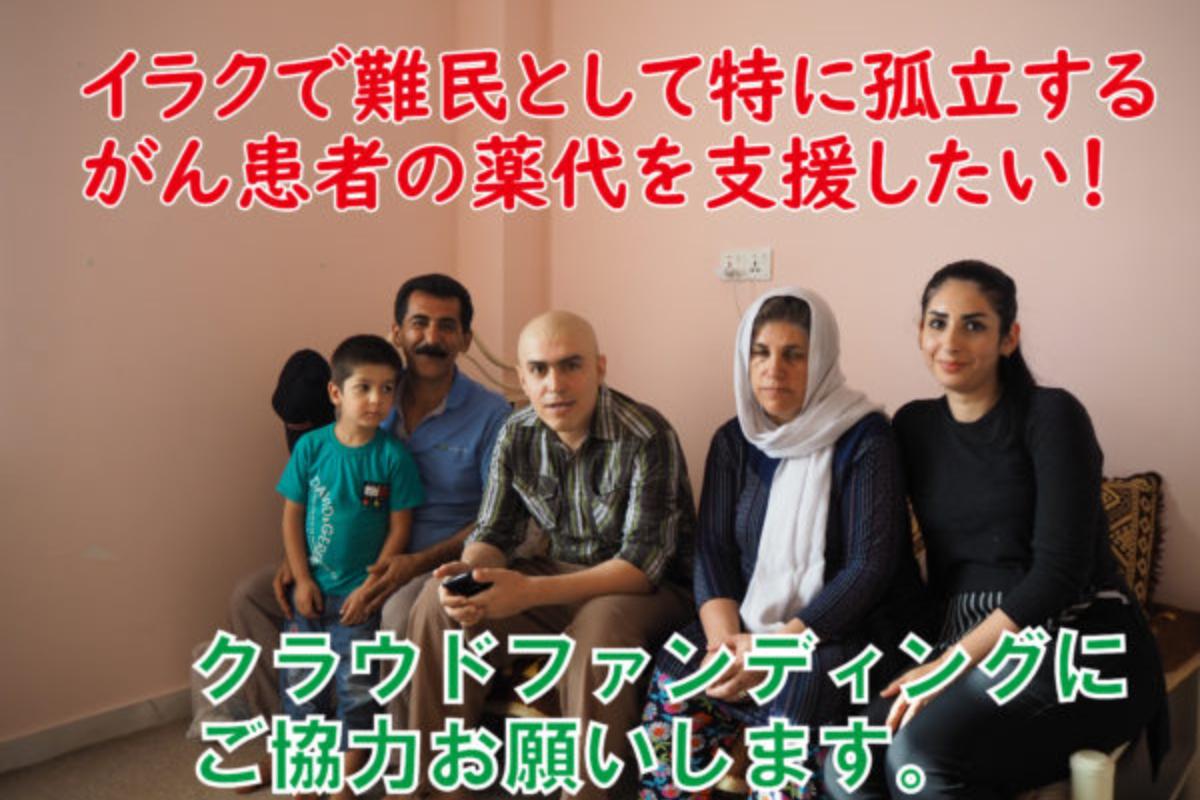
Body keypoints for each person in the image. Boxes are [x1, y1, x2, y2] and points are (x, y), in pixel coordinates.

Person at [827, 260, 1168, 798]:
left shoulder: (1052, 415)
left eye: (974, 325)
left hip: (1074, 642)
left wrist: (949, 665)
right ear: (920, 333)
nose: (950, 341)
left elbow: (1059, 574)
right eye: (937, 323)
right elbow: (888, 555)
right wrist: (922, 651)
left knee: (920, 759)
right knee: (847, 765)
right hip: (965, 641)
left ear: (1009, 338)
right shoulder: (913, 426)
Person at [639, 288, 927, 800]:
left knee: (801, 685)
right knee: (676, 667)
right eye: (761, 353)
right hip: (750, 622)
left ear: (821, 361)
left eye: (794, 354)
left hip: (852, 630)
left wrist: (777, 649)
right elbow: (714, 552)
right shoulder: (734, 440)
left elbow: (867, 568)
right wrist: (724, 648)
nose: (775, 369)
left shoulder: (865, 438)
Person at [403, 310, 696, 800]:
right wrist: (470, 572)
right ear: (523, 378)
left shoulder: (646, 434)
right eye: (539, 369)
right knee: (439, 603)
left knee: (599, 631)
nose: (554, 384)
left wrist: (528, 592)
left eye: (570, 365)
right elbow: (494, 531)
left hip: (646, 589)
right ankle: (438, 787)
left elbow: (641, 566)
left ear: (600, 368)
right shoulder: (516, 431)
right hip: (558, 579)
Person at [225, 274, 510, 754]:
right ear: (397, 332)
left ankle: (385, 753)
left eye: (447, 326)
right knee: (250, 597)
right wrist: (301, 560)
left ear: (465, 338)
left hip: (434, 560)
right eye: (419, 323)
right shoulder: (371, 392)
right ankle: (293, 742)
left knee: (396, 613)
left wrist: (415, 563)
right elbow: (321, 487)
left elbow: (496, 520)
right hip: (349, 555)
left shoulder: (492, 414)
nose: (432, 337)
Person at [276, 334, 425, 800]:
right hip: (311, 594)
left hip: (359, 597)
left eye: (387, 389)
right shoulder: (311, 449)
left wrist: (371, 587)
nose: (377, 400)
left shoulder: (393, 456)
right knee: (301, 686)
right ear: (336, 393)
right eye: (364, 387)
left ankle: (344, 781)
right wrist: (302, 578)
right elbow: (292, 516)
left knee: (357, 690)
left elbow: (400, 529)